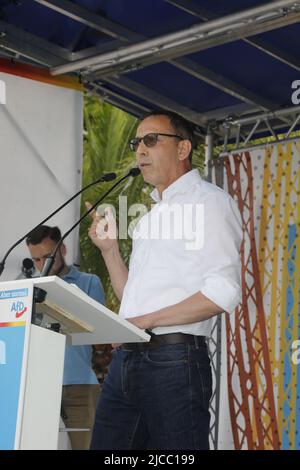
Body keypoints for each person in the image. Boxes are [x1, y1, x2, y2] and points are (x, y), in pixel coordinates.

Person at [87, 110, 242, 450]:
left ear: (183, 149)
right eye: (136, 142)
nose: (140, 150)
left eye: (151, 140)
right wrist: (110, 251)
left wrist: (147, 321)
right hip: (126, 362)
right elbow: (133, 298)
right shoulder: (149, 218)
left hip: (174, 361)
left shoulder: (210, 204)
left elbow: (224, 292)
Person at [26, 225, 105, 450]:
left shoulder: (90, 282)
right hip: (36, 384)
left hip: (79, 385)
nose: (43, 265)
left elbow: (97, 331)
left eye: (47, 257)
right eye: (37, 260)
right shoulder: (29, 286)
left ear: (63, 249)